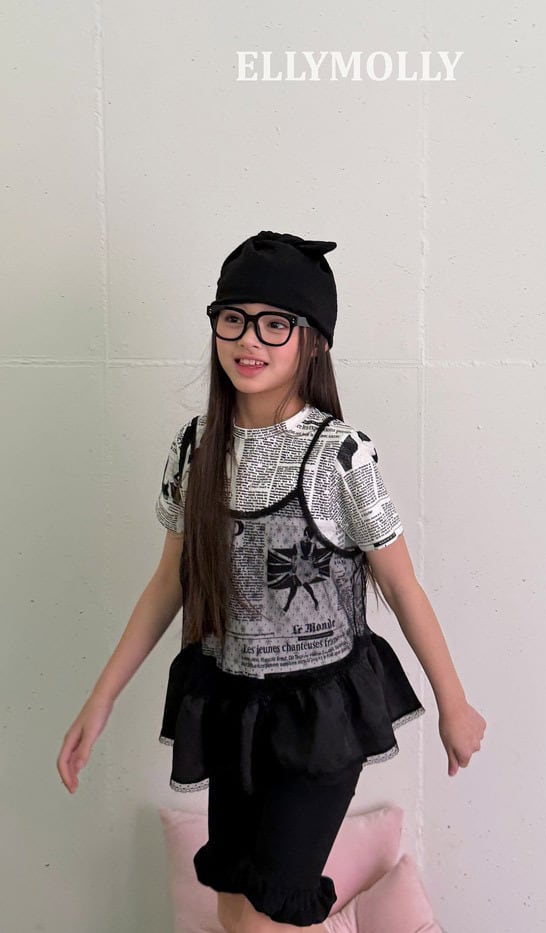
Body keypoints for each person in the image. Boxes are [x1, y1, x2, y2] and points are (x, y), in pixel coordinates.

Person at [57, 231, 487, 933]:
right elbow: (168, 583)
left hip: (318, 717)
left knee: (266, 918)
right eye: (233, 318)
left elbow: (403, 585)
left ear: (312, 341)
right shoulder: (196, 447)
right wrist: (100, 700)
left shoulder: (341, 455)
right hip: (232, 710)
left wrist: (454, 703)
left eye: (274, 323)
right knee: (233, 905)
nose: (248, 340)